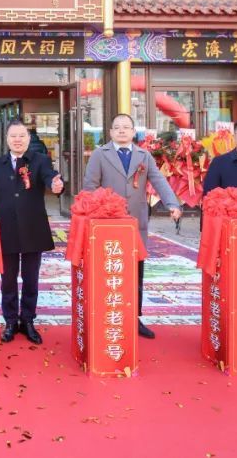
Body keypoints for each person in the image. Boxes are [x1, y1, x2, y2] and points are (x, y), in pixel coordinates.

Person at [83, 113, 183, 339]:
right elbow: (90, 187)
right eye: (117, 127)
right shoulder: (100, 154)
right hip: (107, 224)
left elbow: (159, 181)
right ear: (110, 132)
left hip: (136, 223)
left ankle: (133, 318)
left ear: (133, 132)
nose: (121, 131)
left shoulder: (143, 155)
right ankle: (106, 316)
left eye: (126, 127)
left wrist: (172, 204)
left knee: (135, 273)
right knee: (109, 271)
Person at [0, 119, 64, 345]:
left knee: (31, 278)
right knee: (8, 279)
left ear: (28, 139)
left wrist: (56, 185)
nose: (17, 140)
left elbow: (50, 177)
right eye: (13, 136)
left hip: (32, 228)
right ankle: (10, 321)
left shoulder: (39, 160)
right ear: (7, 139)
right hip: (6, 229)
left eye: (22, 136)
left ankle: (28, 320)